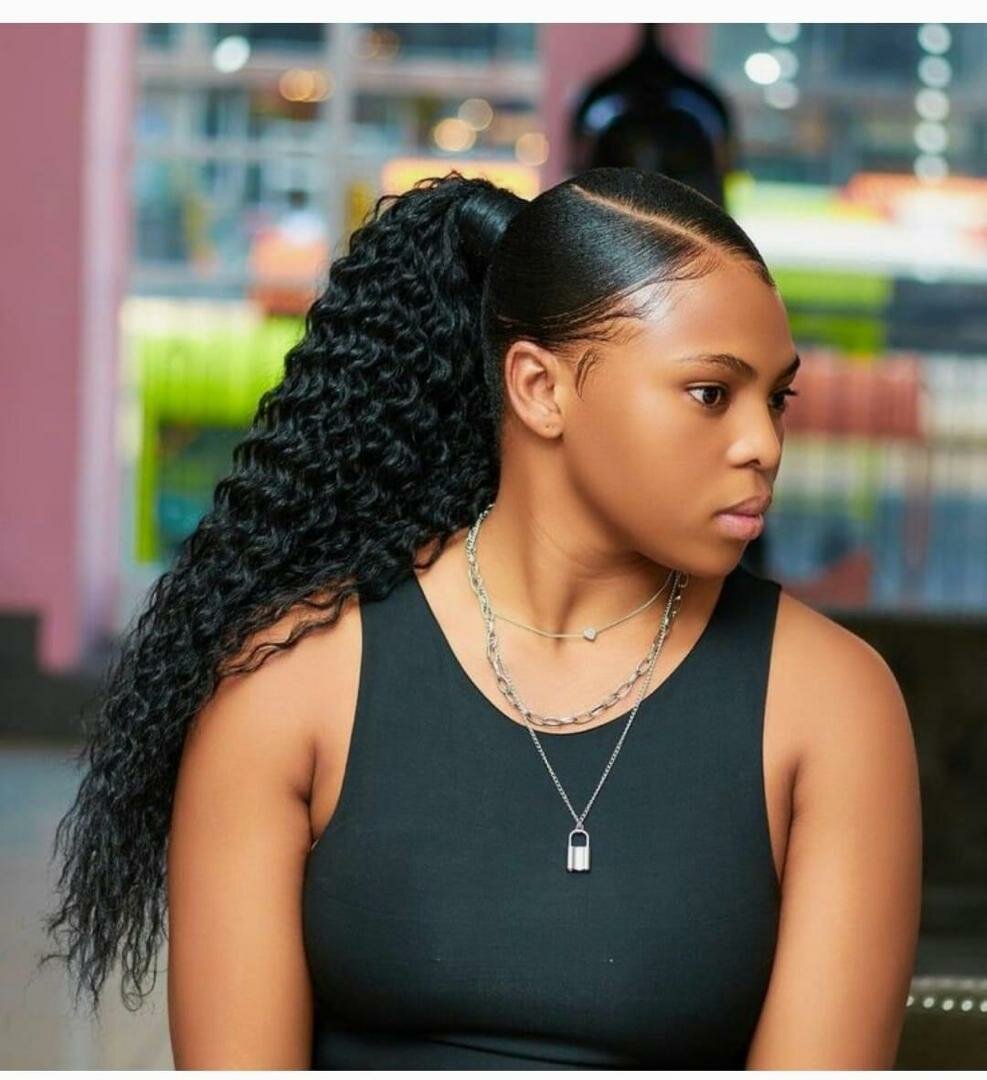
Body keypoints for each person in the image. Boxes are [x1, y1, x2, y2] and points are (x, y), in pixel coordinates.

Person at [40, 167, 922, 1069]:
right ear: (539, 388)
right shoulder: (290, 682)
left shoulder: (831, 706)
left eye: (775, 399)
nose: (762, 444)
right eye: (710, 393)